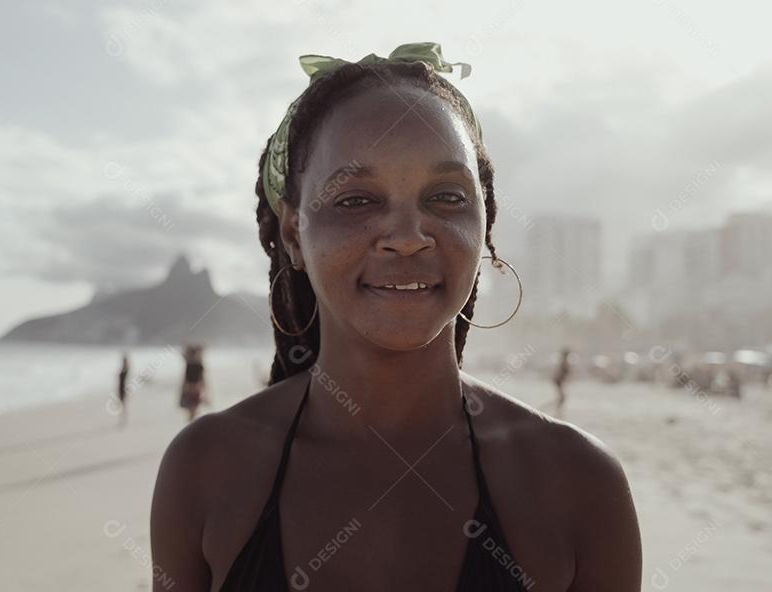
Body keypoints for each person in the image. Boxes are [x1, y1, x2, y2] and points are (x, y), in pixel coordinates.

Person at [151, 42, 641, 591]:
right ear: (293, 233)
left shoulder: (579, 484)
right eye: (356, 200)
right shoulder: (206, 470)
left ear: (486, 222)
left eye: (447, 197)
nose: (408, 237)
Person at [179, 344, 207, 422]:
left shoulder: (191, 364)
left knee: (192, 407)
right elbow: (202, 378)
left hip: (191, 387)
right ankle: (192, 421)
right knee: (193, 407)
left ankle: (191, 421)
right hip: (195, 387)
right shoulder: (197, 364)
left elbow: (200, 378)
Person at [552, 346, 571, 415]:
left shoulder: (564, 361)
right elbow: (561, 372)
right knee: (562, 397)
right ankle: (558, 410)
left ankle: (558, 410)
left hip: (559, 381)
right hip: (558, 381)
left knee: (562, 397)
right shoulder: (564, 362)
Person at [117, 352, 130, 426]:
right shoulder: (123, 369)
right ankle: (123, 418)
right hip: (120, 388)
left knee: (123, 405)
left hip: (123, 388)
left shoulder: (125, 370)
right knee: (122, 404)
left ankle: (123, 419)